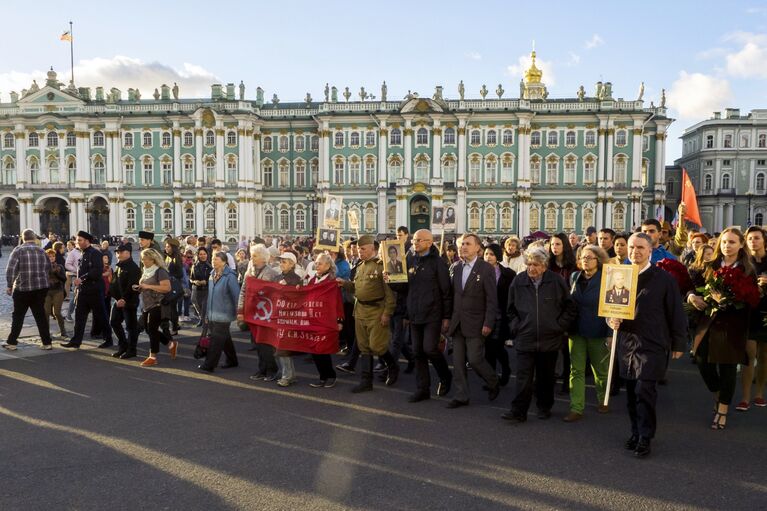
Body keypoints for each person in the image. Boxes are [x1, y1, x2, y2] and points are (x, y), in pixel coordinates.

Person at [607, 233, 687, 457]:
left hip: (652, 343)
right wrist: (610, 320)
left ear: (650, 250)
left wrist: (678, 342)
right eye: (632, 247)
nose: (635, 251)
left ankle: (645, 436)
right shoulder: (618, 275)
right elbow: (608, 307)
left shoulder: (664, 279)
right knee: (631, 392)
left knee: (645, 391)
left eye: (641, 247)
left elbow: (676, 313)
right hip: (627, 343)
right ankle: (635, 431)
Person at [686, 227, 755, 430]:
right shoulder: (710, 265)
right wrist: (692, 296)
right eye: (724, 242)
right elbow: (691, 285)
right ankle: (719, 396)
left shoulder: (747, 269)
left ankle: (722, 410)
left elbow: (751, 298)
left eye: (732, 242)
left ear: (741, 245)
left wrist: (729, 301)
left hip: (732, 325)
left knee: (727, 368)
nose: (727, 246)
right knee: (701, 361)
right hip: (707, 322)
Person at [503, 246, 577, 423]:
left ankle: (544, 407)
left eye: (535, 264)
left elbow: (570, 307)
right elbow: (510, 309)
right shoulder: (519, 281)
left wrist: (558, 326)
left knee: (546, 377)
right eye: (529, 264)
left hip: (549, 338)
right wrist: (517, 327)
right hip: (525, 337)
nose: (531, 268)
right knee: (523, 378)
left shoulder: (556, 281)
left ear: (544, 265)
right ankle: (518, 410)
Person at [446, 233, 500, 408]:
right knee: (458, 361)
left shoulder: (486, 269)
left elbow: (492, 299)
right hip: (457, 321)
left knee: (475, 359)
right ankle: (461, 395)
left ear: (478, 247)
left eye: (467, 244)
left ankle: (493, 381)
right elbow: (451, 295)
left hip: (477, 322)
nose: (463, 247)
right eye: (461, 244)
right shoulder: (456, 267)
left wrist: (488, 322)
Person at [399, 229, 453, 402]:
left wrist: (446, 316)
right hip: (414, 313)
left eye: (420, 240)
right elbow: (404, 289)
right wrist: (391, 281)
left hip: (433, 314)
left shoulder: (438, 263)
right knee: (417, 352)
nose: (415, 243)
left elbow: (446, 292)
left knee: (429, 349)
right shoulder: (409, 260)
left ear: (429, 243)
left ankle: (445, 376)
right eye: (414, 240)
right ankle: (423, 389)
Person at [340, 235, 398, 393]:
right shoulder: (360, 266)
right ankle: (366, 381)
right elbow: (357, 288)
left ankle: (392, 366)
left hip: (377, 311)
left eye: (363, 249)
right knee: (364, 347)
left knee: (377, 346)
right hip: (360, 310)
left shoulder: (381, 266)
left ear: (373, 248)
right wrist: (345, 284)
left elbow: (390, 294)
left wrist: (387, 313)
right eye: (359, 249)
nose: (360, 252)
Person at [564, 245, 611, 422]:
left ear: (598, 260)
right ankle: (576, 407)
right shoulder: (575, 277)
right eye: (582, 257)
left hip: (598, 330)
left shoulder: (607, 278)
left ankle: (603, 399)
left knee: (600, 370)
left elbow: (611, 307)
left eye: (589, 257)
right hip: (576, 331)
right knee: (576, 370)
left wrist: (609, 333)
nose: (585, 260)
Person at [2, 229, 54, 351]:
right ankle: (47, 343)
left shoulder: (18, 250)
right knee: (40, 315)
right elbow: (49, 268)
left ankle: (12, 342)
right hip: (40, 288)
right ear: (34, 238)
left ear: (23, 238)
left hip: (23, 288)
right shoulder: (42, 251)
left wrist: (9, 285)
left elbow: (11, 269)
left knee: (18, 316)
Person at [61, 231, 113, 350]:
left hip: (94, 290)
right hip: (83, 291)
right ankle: (76, 340)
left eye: (79, 240)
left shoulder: (95, 253)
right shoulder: (82, 253)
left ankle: (108, 339)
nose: (77, 242)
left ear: (87, 241)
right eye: (77, 240)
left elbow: (97, 271)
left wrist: (82, 278)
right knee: (79, 316)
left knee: (101, 316)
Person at [239, 244, 281, 382]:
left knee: (266, 344)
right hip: (252, 312)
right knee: (257, 342)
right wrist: (240, 310)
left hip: (266, 314)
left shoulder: (272, 273)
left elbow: (277, 295)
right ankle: (262, 369)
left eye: (255, 255)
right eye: (252, 255)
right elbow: (243, 292)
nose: (252, 257)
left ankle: (272, 369)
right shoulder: (249, 272)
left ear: (263, 258)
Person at [738, 226, 767, 410]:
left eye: (756, 238)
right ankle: (745, 397)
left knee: (764, 356)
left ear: (764, 240)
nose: (753, 241)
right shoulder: (744, 262)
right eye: (749, 239)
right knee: (749, 355)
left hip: (766, 312)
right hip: (749, 312)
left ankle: (759, 394)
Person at [306, 253, 343, 388]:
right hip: (313, 320)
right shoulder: (312, 280)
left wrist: (340, 321)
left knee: (323, 349)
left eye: (320, 263)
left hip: (326, 321)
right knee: (314, 349)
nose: (317, 265)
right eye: (316, 263)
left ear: (328, 266)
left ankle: (330, 375)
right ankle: (322, 376)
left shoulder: (332, 282)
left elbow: (338, 302)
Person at [199, 252, 240, 373]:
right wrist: (207, 314)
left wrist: (240, 312)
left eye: (216, 259)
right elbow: (210, 296)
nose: (213, 261)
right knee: (225, 338)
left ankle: (209, 364)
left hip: (224, 314)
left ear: (224, 261)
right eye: (212, 258)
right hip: (212, 313)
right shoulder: (212, 274)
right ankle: (232, 360)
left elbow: (236, 295)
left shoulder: (230, 276)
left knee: (216, 340)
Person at [136, 249, 176, 367]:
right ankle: (170, 344)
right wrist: (140, 288)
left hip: (158, 303)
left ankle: (152, 357)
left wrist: (147, 286)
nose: (142, 261)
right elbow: (145, 285)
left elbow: (166, 288)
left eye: (144, 259)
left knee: (152, 329)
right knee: (148, 329)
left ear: (152, 259)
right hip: (147, 304)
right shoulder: (146, 270)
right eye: (142, 259)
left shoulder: (160, 271)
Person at [483, 243, 515, 386]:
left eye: (491, 254)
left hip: (501, 315)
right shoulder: (480, 272)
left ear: (497, 256)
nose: (488, 257)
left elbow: (512, 296)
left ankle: (506, 369)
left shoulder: (507, 274)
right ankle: (492, 379)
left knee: (497, 346)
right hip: (485, 314)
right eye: (486, 254)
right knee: (488, 348)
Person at [274, 251, 303, 386]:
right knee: (280, 346)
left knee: (283, 347)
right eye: (280, 261)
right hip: (279, 315)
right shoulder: (278, 277)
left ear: (292, 264)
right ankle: (289, 374)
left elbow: (298, 299)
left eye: (284, 261)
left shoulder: (296, 279)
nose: (281, 264)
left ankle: (287, 375)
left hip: (289, 317)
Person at [110, 243, 141, 359]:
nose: (118, 254)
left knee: (131, 327)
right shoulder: (119, 266)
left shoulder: (134, 268)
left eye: (120, 252)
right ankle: (123, 345)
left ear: (128, 253)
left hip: (130, 302)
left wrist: (124, 299)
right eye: (117, 252)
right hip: (118, 301)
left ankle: (132, 350)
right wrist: (116, 297)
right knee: (114, 322)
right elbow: (114, 283)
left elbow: (132, 286)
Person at [44, 248, 68, 340]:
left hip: (58, 291)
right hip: (47, 292)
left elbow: (64, 279)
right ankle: (46, 333)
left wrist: (57, 273)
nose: (51, 258)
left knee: (57, 313)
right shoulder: (43, 267)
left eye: (53, 256)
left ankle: (63, 332)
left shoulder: (59, 266)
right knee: (46, 312)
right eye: (49, 256)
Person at [164, 239, 183, 335]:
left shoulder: (176, 258)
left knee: (172, 308)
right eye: (166, 246)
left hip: (173, 287)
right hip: (167, 285)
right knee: (169, 308)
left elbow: (180, 274)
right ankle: (174, 325)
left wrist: (170, 277)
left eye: (168, 246)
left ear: (173, 248)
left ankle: (174, 327)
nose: (166, 248)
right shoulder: (166, 257)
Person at [190, 247, 212, 327]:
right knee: (196, 303)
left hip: (206, 289)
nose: (203, 256)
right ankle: (202, 318)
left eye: (204, 254)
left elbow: (212, 279)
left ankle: (204, 321)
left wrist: (206, 281)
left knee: (204, 306)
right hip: (196, 288)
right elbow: (191, 278)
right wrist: (194, 281)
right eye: (201, 254)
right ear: (198, 255)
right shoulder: (194, 265)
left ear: (207, 255)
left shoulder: (210, 266)